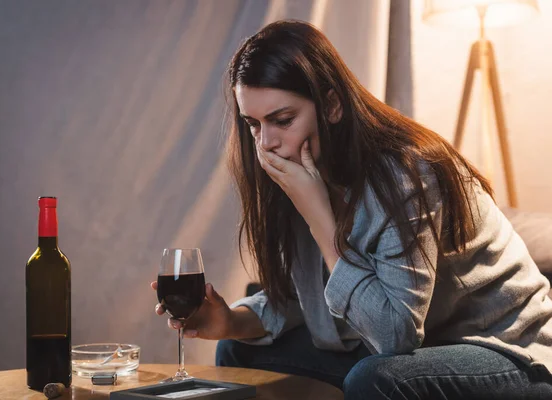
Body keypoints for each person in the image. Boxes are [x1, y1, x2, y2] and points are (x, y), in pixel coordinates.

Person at [151, 19, 552, 399]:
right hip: (407, 348)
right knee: (238, 353)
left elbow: (396, 336)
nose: (266, 143)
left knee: (376, 379)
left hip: (505, 352)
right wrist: (231, 322)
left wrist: (321, 220)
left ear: (332, 107)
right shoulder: (302, 171)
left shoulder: (409, 173)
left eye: (282, 120)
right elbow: (302, 300)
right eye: (254, 125)